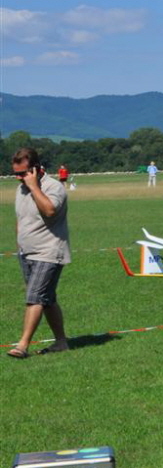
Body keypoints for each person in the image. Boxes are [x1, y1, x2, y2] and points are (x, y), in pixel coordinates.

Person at [8, 148, 71, 359]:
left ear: (35, 169)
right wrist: (20, 244)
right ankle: (61, 342)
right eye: (15, 174)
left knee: (34, 297)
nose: (18, 178)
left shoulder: (54, 187)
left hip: (49, 251)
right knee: (47, 299)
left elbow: (50, 210)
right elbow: (21, 218)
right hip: (26, 252)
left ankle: (22, 345)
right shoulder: (21, 189)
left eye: (23, 173)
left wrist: (34, 186)